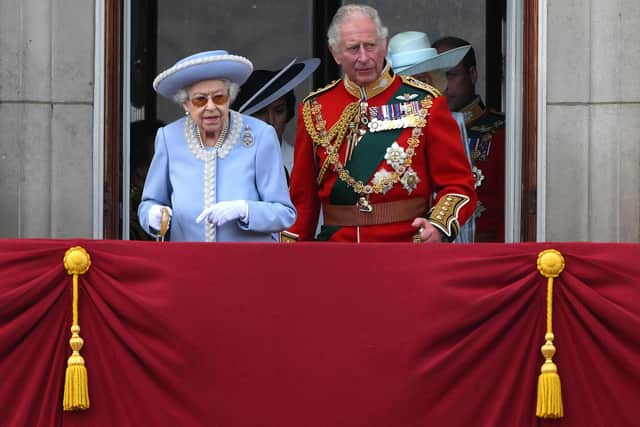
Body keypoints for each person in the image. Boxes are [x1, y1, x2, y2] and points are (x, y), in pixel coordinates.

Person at [286, 4, 476, 243]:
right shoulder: (315, 108)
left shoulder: (426, 102)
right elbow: (302, 202)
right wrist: (288, 257)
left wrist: (438, 227)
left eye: (371, 46)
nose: (364, 57)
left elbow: (458, 185)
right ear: (335, 52)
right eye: (353, 48)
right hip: (336, 253)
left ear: (384, 46)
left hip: (406, 249)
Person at [138, 50, 296, 242]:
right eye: (200, 100)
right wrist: (153, 214)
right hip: (188, 263)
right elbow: (149, 203)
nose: (211, 107)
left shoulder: (261, 135)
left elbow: (284, 213)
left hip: (246, 264)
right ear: (186, 104)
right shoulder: (169, 138)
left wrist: (244, 209)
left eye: (219, 97)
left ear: (230, 97)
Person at [387, 30, 476, 243]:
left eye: (422, 80)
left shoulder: (443, 118)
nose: (415, 90)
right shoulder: (373, 123)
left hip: (430, 237)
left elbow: (457, 185)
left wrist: (438, 227)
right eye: (408, 81)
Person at [432, 36, 506, 242]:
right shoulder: (418, 132)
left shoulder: (502, 133)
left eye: (451, 75)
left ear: (472, 74)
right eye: (436, 78)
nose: (443, 86)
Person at [230, 57, 320, 184]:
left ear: (288, 112)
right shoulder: (226, 162)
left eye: (278, 111)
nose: (270, 121)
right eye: (260, 112)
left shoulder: (302, 164)